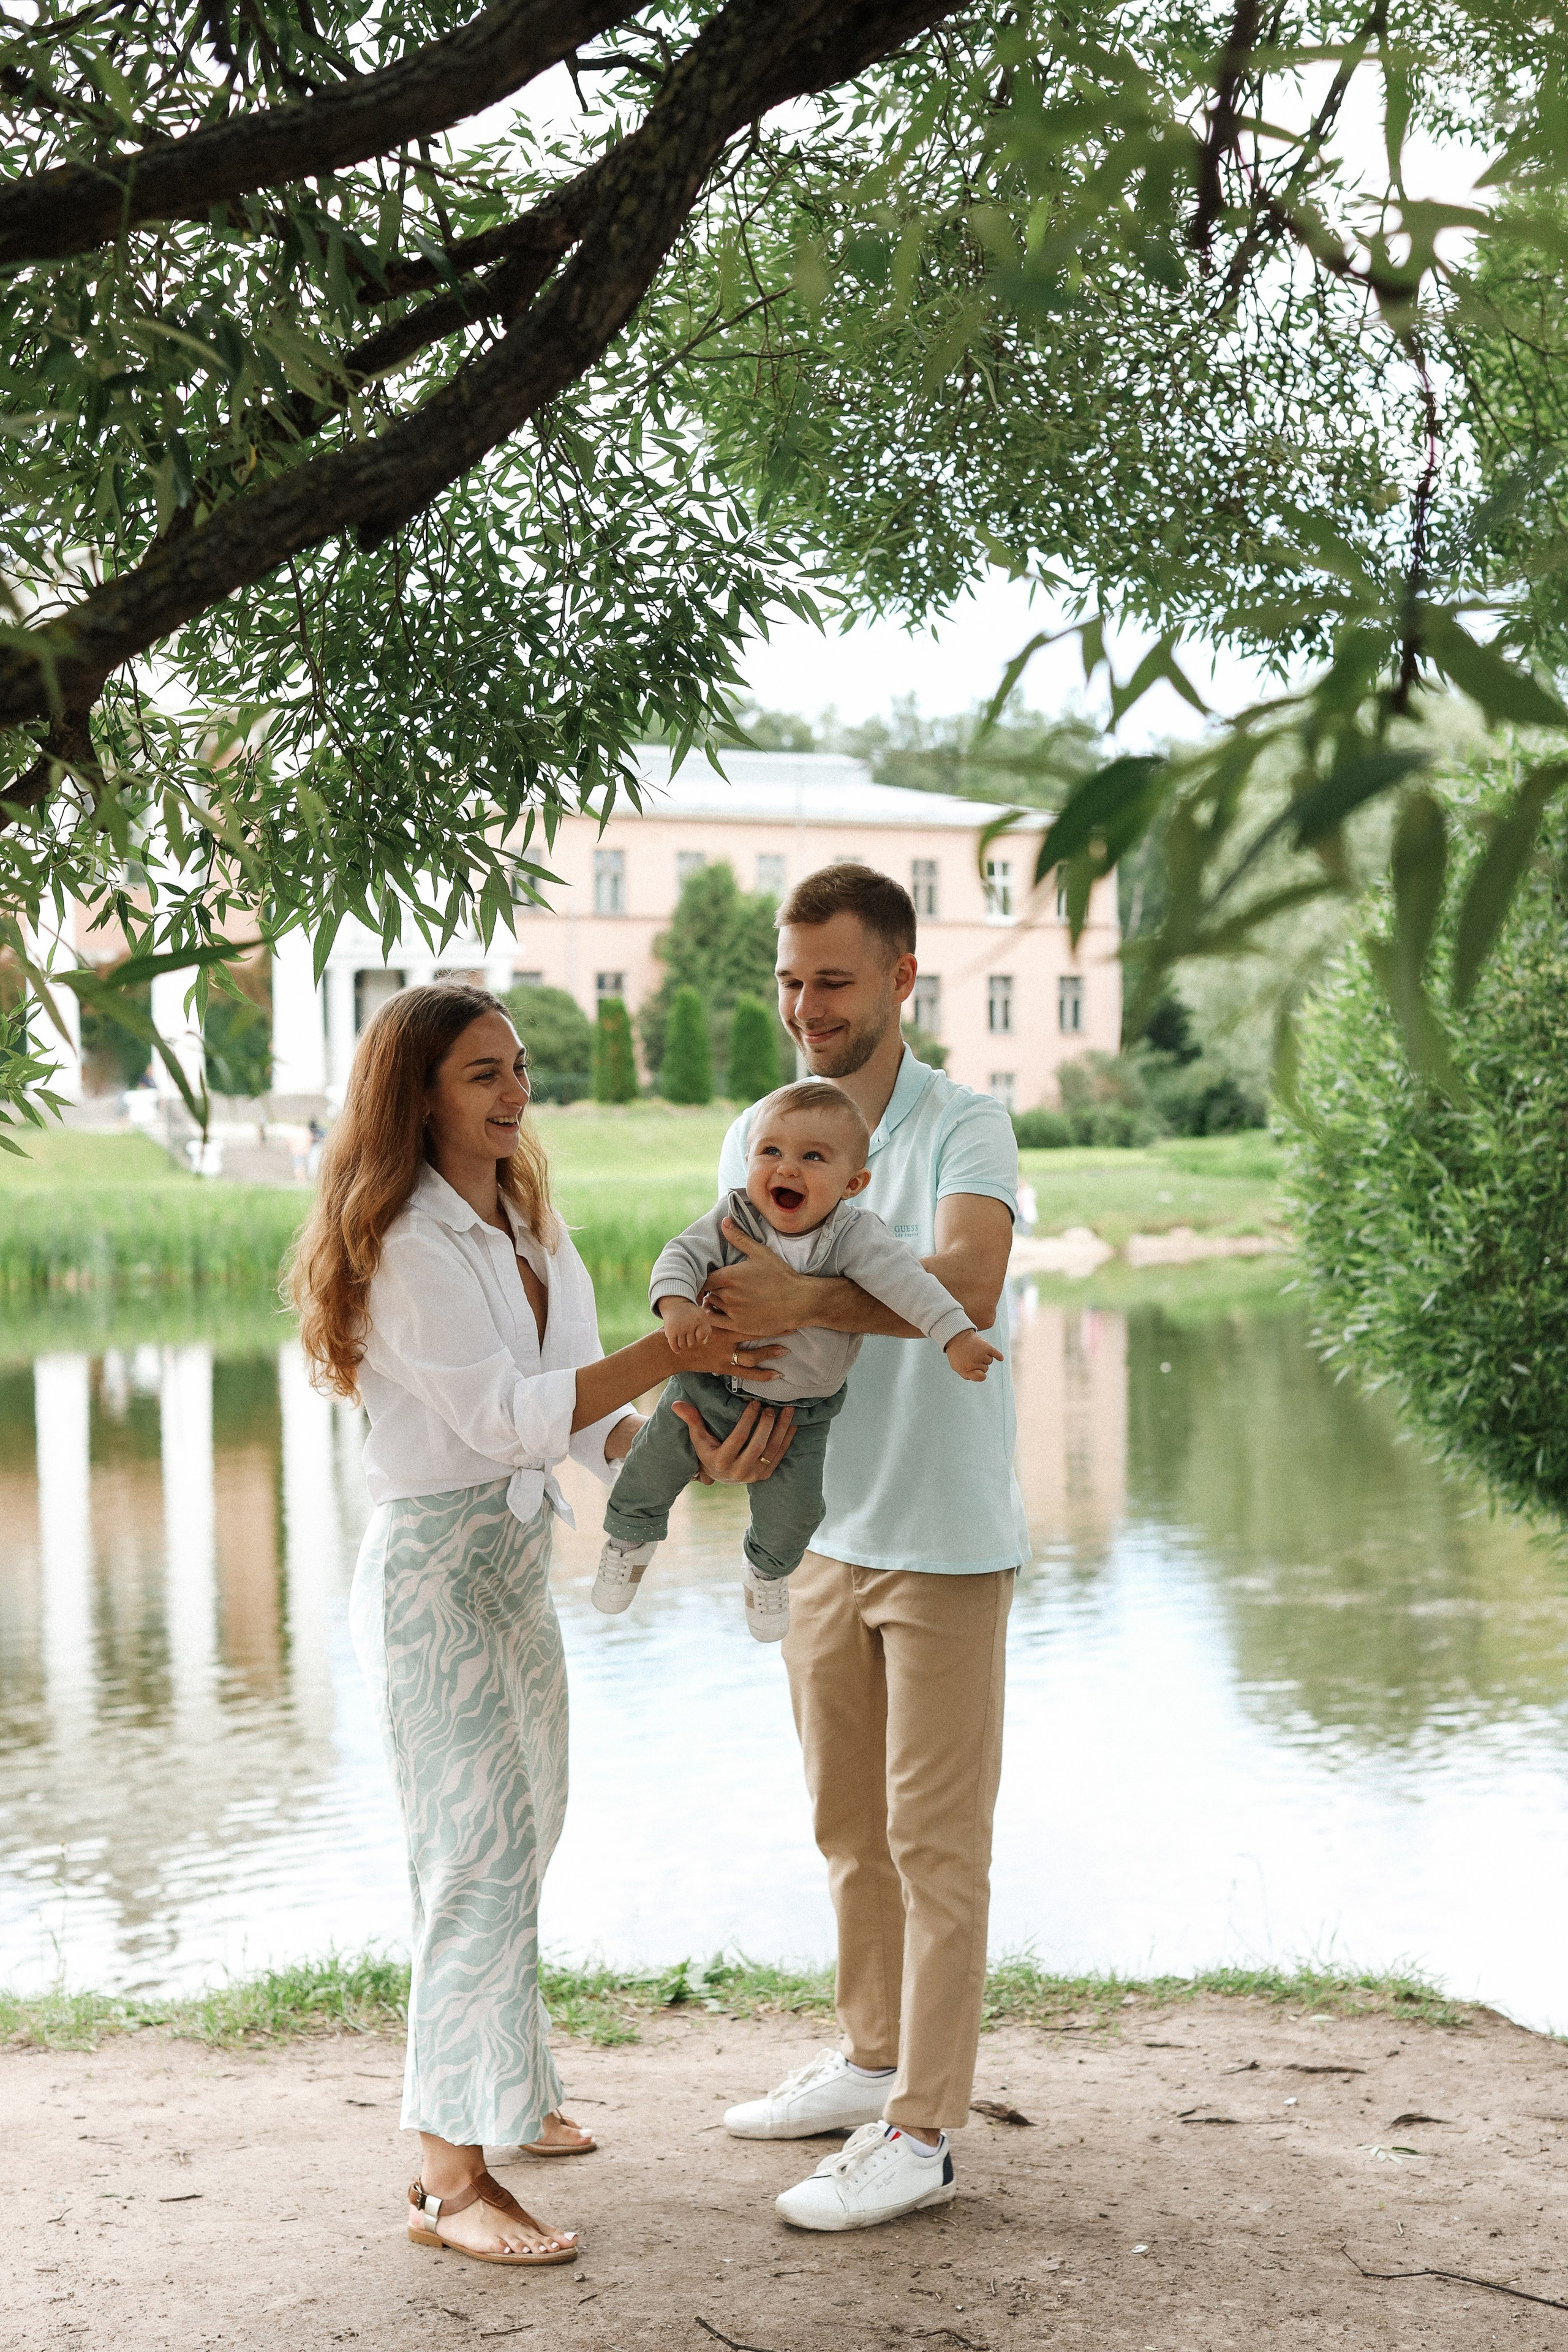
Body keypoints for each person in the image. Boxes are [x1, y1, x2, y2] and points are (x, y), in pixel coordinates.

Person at [290, 982, 796, 2267]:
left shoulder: (523, 1219)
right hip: (428, 1577)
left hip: (509, 1564)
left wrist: (683, 1451)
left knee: (528, 1824)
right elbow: (504, 1416)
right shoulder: (404, 1242)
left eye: (516, 1069)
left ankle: (504, 2093)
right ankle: (447, 2178)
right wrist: (676, 1345)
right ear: (417, 1096)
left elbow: (573, 1423)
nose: (516, 1092)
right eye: (482, 1076)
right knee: (471, 1854)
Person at [703, 866, 1028, 2233]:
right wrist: (716, 1415)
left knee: (935, 1846)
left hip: (946, 1536)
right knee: (847, 1830)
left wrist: (805, 1289)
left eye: (831, 980)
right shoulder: (757, 1131)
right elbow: (730, 1310)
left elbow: (966, 1280)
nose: (804, 1006)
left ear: (900, 979)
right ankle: (868, 2059)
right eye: (789, 978)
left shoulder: (966, 1124)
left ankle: (921, 2135)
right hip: (821, 1532)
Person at [594, 1079, 1001, 1639]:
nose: (787, 1169)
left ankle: (766, 1571)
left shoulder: (855, 1237)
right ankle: (628, 1538)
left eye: (813, 1157)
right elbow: (680, 1256)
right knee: (652, 1464)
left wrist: (956, 1337)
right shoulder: (735, 1217)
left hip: (802, 1411)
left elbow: (913, 1287)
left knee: (796, 1513)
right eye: (771, 1152)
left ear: (853, 1183)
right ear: (748, 1160)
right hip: (710, 1387)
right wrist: (676, 1305)